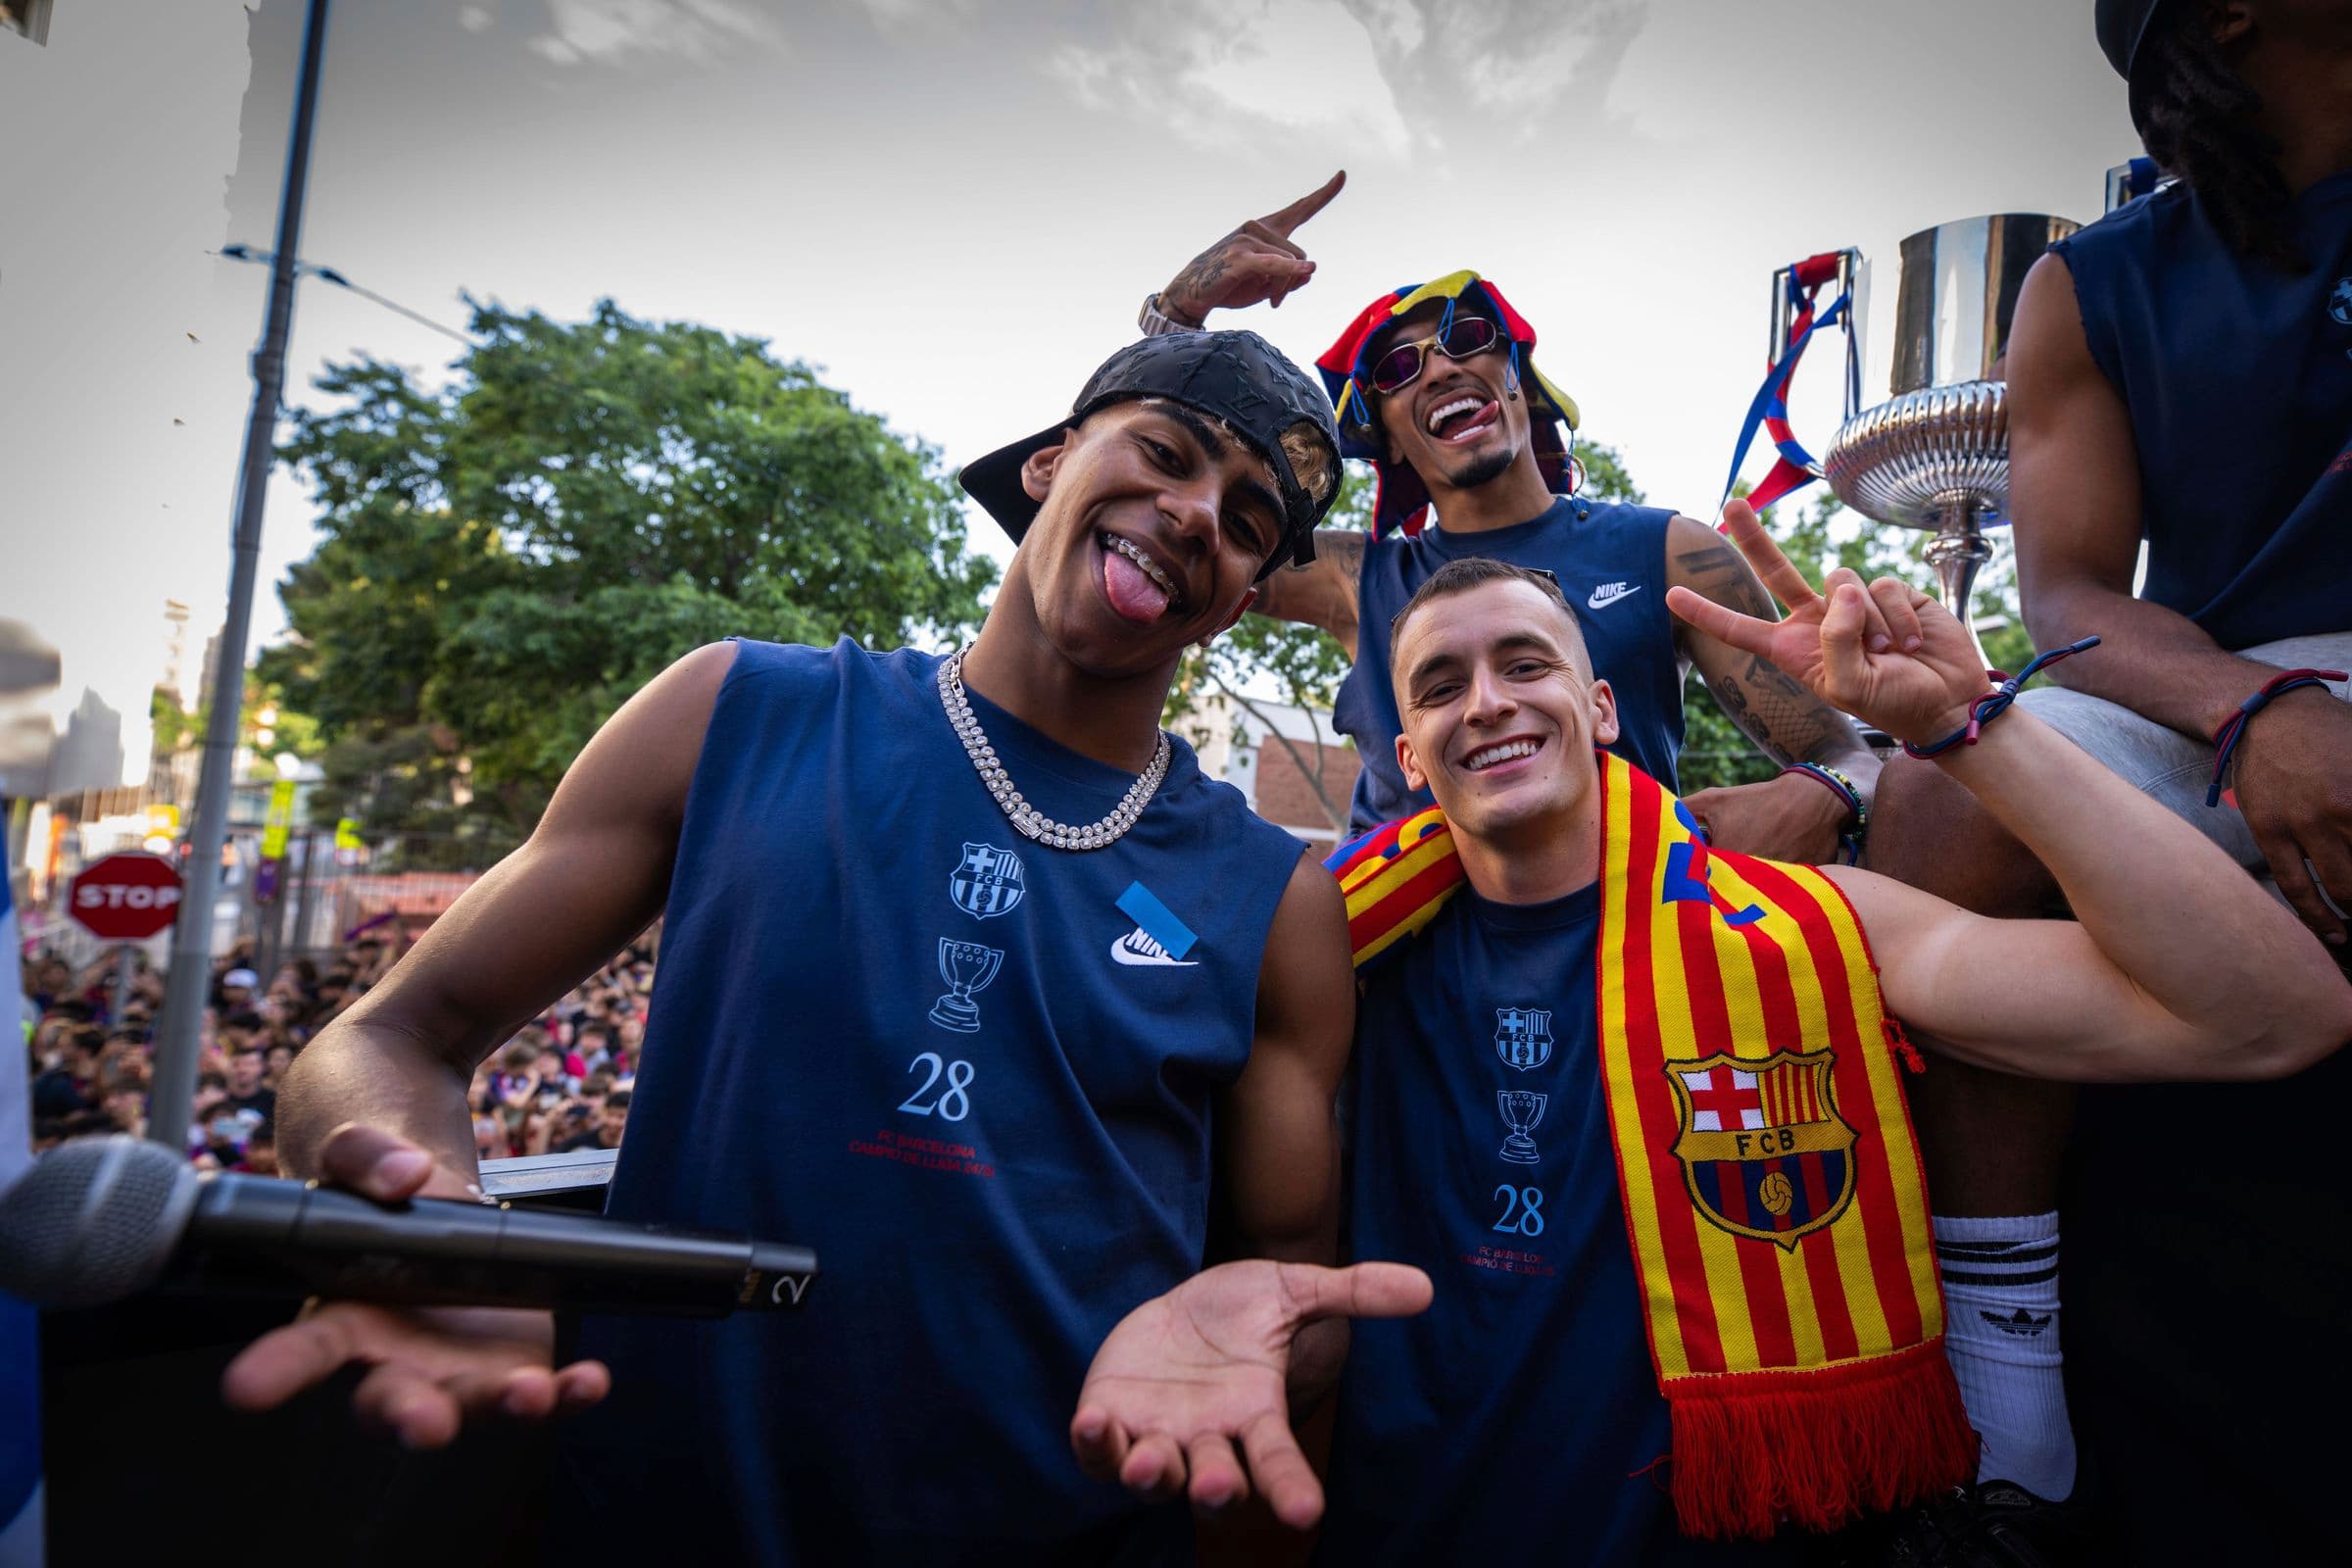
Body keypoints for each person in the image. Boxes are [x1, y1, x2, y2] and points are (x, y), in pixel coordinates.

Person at [222, 328, 1427, 1563]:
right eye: (1163, 454)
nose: (1190, 516)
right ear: (1051, 463)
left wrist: (1275, 1344)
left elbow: (1292, 1275)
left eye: (1243, 523)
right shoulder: (736, 711)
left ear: (1239, 599)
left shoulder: (1273, 897)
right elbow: (387, 1041)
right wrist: (436, 1236)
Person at [1071, 515, 2352, 1561]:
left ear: (1605, 707)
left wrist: (1970, 729)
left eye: (1527, 664)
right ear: (1407, 754)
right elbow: (1099, 923)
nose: (1489, 703)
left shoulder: (1814, 929)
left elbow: (2263, 1016)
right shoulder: (1326, 949)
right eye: (1442, 685)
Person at [1854, 1, 2352, 1554]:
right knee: (1952, 782)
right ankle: (2001, 1390)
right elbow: (2068, 596)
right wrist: (2251, 706)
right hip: (2231, 670)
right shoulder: (2094, 281)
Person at [1142, 176, 1883, 864]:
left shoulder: (1672, 554)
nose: (1436, 369)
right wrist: (1174, 320)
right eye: (1398, 371)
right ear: (1388, 436)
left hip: (1619, 963)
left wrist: (1823, 794)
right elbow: (1152, 520)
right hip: (1390, 967)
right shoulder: (1353, 577)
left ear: (1519, 384)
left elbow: (1847, 755)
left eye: (1466, 339)